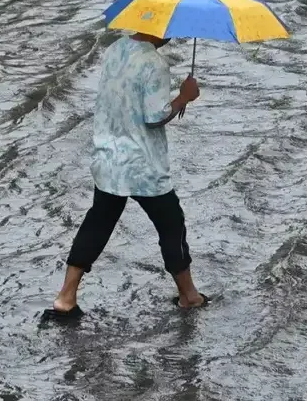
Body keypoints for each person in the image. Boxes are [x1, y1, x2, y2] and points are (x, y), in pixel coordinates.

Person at [44, 31, 206, 320]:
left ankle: (65, 298)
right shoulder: (154, 62)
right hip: (142, 166)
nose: (173, 35)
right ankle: (190, 297)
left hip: (109, 158)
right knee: (172, 225)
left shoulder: (115, 49)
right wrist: (184, 97)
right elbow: (154, 117)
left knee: (97, 223)